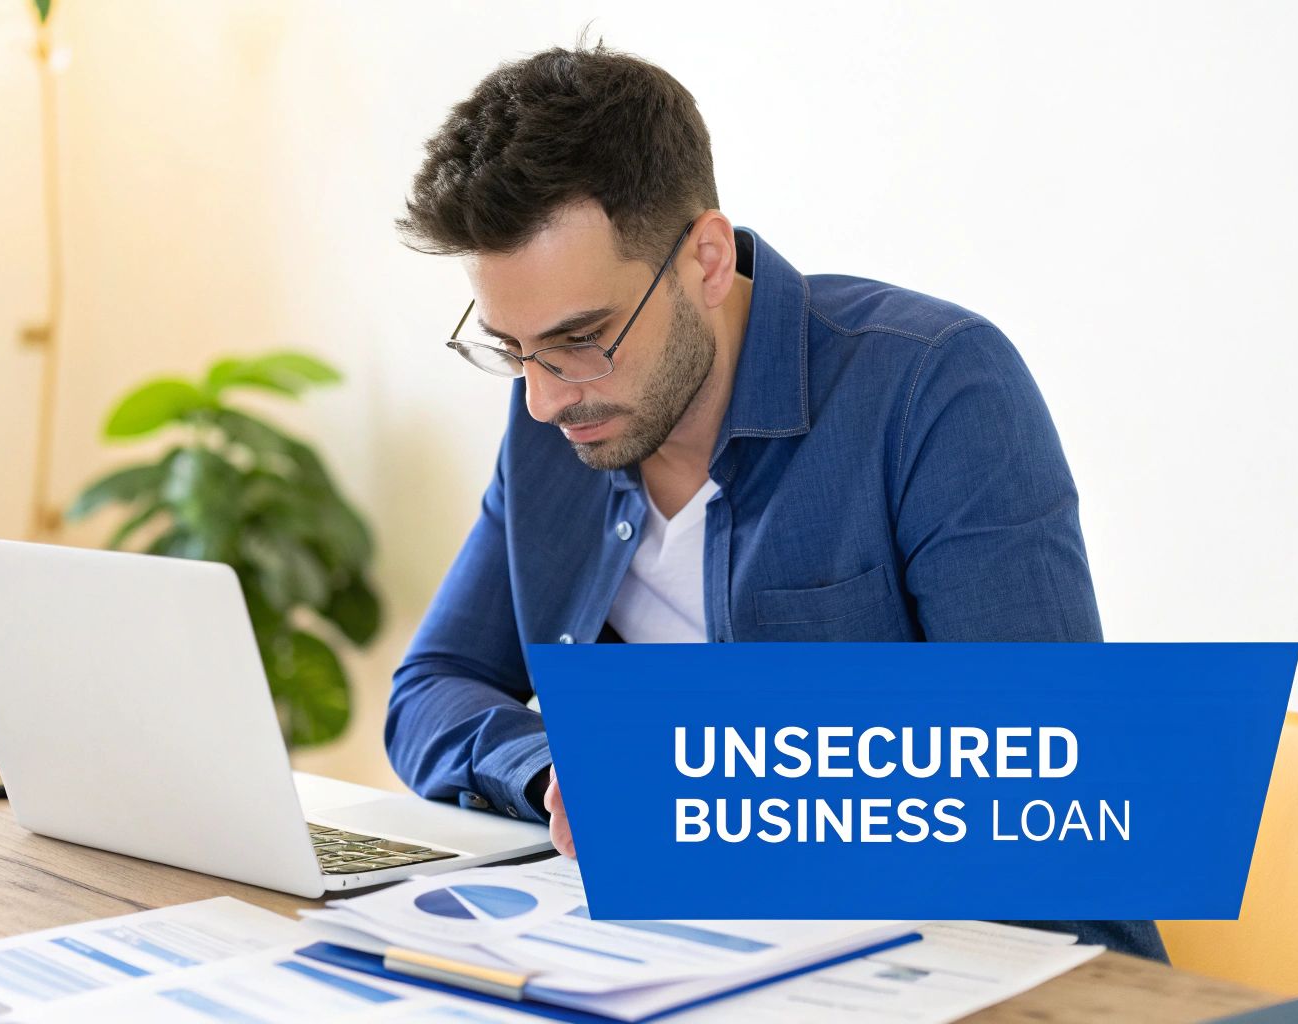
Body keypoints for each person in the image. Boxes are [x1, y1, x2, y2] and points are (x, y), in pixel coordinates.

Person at [383, 42, 1166, 961]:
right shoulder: (559, 420)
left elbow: (1048, 781)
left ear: (707, 260)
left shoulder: (935, 389)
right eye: (513, 350)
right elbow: (430, 687)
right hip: (685, 962)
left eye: (582, 339)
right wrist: (557, 767)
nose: (547, 397)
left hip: (981, 974)